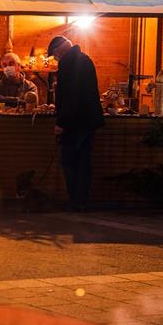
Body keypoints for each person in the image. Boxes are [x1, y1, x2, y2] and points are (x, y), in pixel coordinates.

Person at [47, 35, 105, 212]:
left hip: (75, 124)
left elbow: (71, 97)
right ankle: (81, 201)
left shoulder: (69, 64)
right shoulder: (84, 60)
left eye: (55, 56)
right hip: (88, 122)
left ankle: (75, 200)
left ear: (60, 51)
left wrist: (61, 123)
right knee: (83, 162)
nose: (56, 59)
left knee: (70, 162)